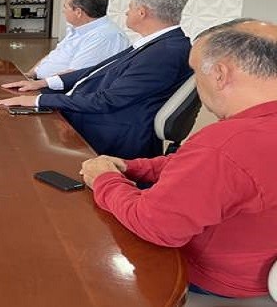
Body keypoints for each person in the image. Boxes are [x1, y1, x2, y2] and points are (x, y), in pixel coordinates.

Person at [80, 18, 277, 299]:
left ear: (220, 74)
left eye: (196, 72)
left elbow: (156, 226)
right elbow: (195, 165)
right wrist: (133, 167)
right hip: (257, 259)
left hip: (210, 277)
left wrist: (105, 180)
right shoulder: (237, 141)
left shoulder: (226, 144)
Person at [0, 0, 192, 158]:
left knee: (18, 136)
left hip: (111, 129)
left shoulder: (163, 53)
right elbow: (96, 70)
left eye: (130, 7)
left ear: (142, 12)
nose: (126, 12)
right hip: (99, 112)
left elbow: (108, 101)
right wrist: (42, 84)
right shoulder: (158, 44)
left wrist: (38, 100)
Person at [25, 0, 129, 79]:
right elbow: (55, 55)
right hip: (41, 82)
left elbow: (74, 76)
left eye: (65, 7)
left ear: (78, 12)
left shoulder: (104, 37)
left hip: (60, 92)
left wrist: (36, 85)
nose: (63, 11)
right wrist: (31, 73)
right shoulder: (80, 29)